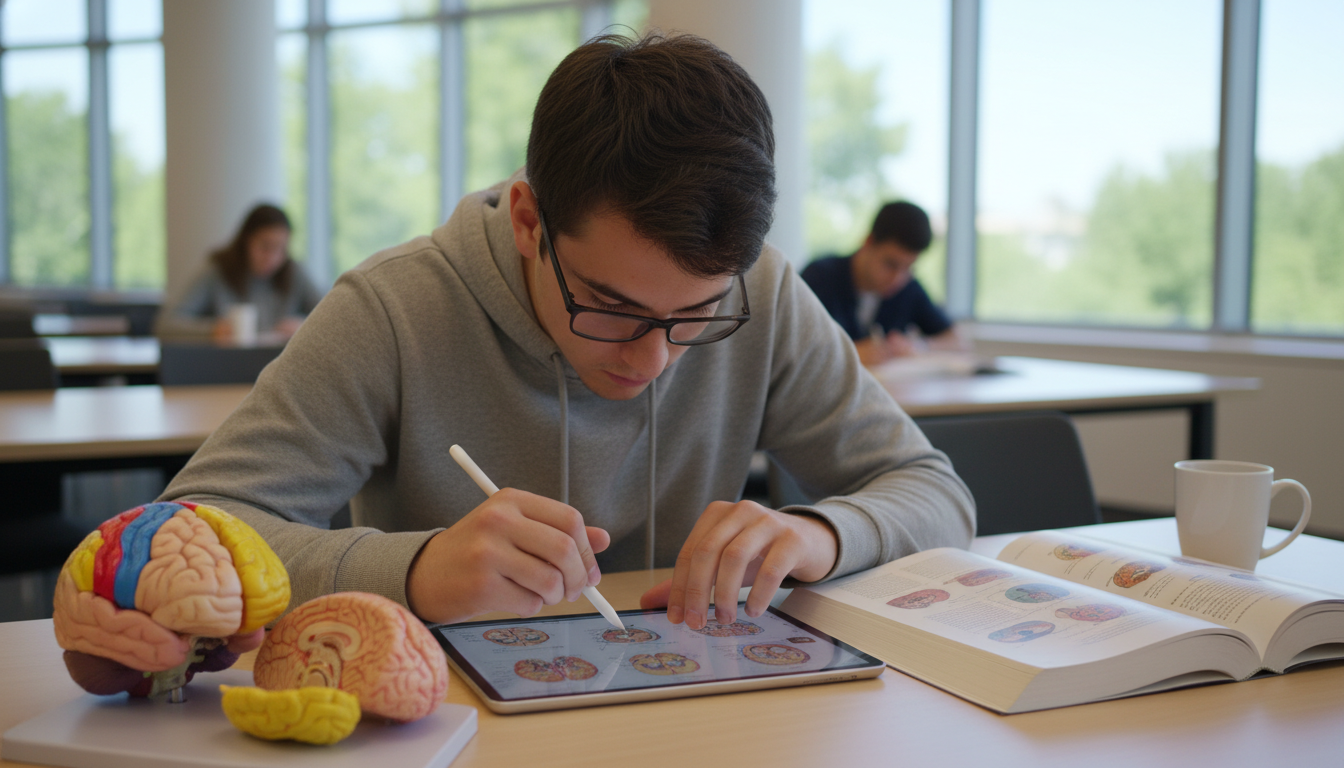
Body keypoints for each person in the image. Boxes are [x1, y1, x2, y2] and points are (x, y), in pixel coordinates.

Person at [162, 34, 974, 631]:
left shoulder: (763, 292)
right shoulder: (394, 308)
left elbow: (938, 495)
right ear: (527, 220)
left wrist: (819, 533)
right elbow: (183, 528)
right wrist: (412, 570)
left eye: (695, 316)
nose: (654, 358)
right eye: (611, 305)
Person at [802, 201, 964, 365]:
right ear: (868, 242)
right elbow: (795, 350)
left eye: (908, 267)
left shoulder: (908, 288)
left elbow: (958, 341)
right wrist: (851, 353)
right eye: (890, 264)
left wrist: (919, 346)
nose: (898, 278)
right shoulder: (820, 278)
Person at [155, 203, 324, 342]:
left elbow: (330, 317)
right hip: (227, 371)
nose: (272, 258)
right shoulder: (217, 271)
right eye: (265, 247)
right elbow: (166, 325)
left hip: (281, 371)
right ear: (246, 241)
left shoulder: (294, 272)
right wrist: (212, 330)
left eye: (280, 249)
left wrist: (303, 325)